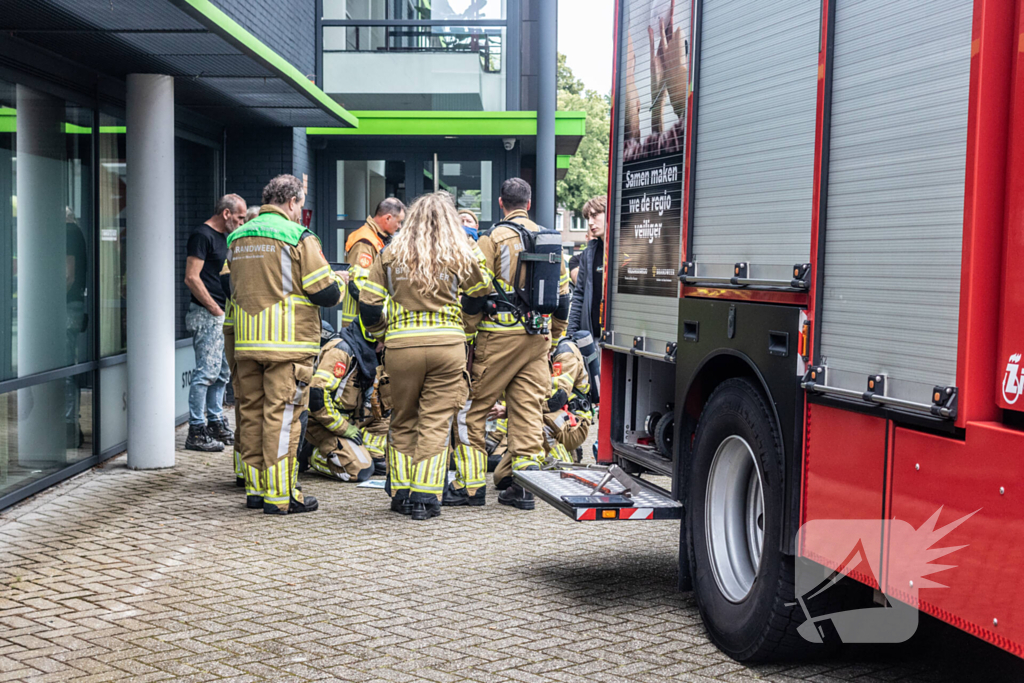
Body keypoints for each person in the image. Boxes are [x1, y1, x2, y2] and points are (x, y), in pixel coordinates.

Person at [359, 192, 487, 521]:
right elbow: (479, 294)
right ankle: (425, 497)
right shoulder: (460, 252)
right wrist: (465, 327)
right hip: (448, 347)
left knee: (403, 418)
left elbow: (368, 305)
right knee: (435, 422)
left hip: (401, 348)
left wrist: (382, 333)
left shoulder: (390, 253)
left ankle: (402, 493)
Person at [449, 178, 571, 510]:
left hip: (498, 337)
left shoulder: (491, 239)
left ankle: (470, 487)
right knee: (527, 411)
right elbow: (563, 298)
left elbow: (475, 291)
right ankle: (524, 490)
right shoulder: (551, 241)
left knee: (473, 410)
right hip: (537, 339)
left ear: (501, 203)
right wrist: (554, 336)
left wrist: (467, 332)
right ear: (528, 204)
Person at [228, 175, 343, 515]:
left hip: (247, 341)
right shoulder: (297, 236)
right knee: (282, 419)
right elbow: (325, 292)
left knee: (251, 414)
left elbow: (228, 285)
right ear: (292, 201)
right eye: (300, 205)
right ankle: (280, 496)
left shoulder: (237, 236)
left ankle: (255, 489)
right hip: (287, 345)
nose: (300, 211)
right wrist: (339, 280)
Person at [183, 194, 247, 452]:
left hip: (220, 315)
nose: (242, 222)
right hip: (206, 314)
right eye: (240, 217)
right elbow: (191, 277)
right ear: (226, 213)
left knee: (221, 373)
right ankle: (196, 431)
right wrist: (214, 308)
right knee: (206, 373)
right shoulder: (202, 235)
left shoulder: (225, 238)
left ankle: (215, 422)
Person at [299, 321, 389, 483]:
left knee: (386, 407)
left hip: (350, 417)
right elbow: (317, 396)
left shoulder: (372, 355)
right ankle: (313, 454)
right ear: (370, 335)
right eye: (383, 339)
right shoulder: (342, 350)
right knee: (359, 471)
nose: (385, 344)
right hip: (322, 421)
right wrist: (344, 428)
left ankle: (371, 455)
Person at [340, 198, 405, 327]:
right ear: (387, 218)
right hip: (361, 323)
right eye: (398, 222)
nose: (400, 226)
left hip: (366, 321)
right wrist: (380, 309)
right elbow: (358, 284)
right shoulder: (365, 241)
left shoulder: (377, 238)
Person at [567, 196, 606, 340]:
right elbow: (579, 296)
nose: (590, 222)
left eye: (594, 215)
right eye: (588, 218)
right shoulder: (589, 254)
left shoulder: (625, 250)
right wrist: (570, 336)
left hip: (620, 339)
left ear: (609, 213)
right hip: (592, 336)